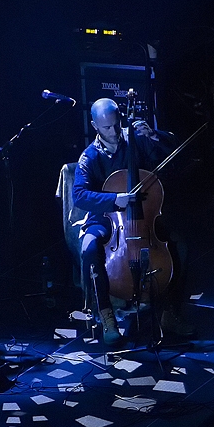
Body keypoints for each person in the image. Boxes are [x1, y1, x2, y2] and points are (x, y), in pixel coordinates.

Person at [72, 98, 193, 343]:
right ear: (95, 126)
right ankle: (106, 316)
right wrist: (115, 199)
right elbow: (79, 195)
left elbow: (174, 158)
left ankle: (170, 313)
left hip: (143, 216)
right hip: (106, 218)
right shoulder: (90, 156)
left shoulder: (136, 140)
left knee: (178, 246)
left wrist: (154, 136)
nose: (114, 131)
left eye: (116, 124)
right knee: (90, 248)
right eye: (107, 127)